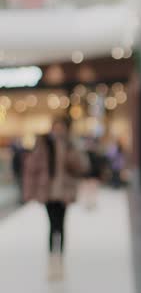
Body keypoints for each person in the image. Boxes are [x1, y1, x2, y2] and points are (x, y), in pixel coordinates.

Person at [23, 116, 89, 281]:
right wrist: (30, 191)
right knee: (53, 225)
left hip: (64, 192)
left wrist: (71, 152)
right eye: (56, 127)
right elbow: (32, 168)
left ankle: (60, 260)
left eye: (61, 128)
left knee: (61, 225)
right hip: (49, 192)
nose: (58, 131)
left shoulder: (70, 145)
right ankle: (53, 261)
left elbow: (82, 166)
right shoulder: (44, 144)